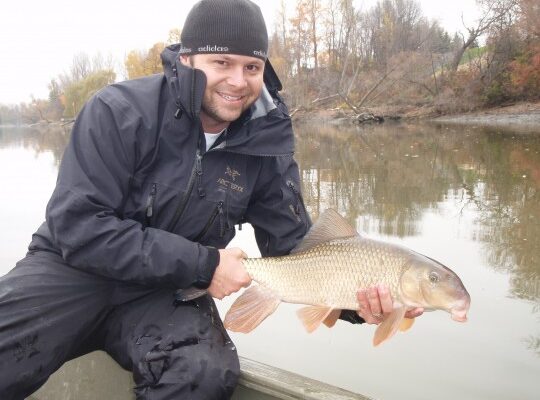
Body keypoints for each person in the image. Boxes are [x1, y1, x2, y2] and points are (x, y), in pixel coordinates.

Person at [0, 0, 422, 398]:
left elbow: (297, 250)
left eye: (251, 66)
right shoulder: (118, 110)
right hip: (72, 271)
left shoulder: (267, 144)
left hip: (168, 293)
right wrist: (205, 265)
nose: (238, 81)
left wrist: (357, 301)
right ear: (187, 60)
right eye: (222, 62)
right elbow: (79, 227)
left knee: (203, 371)